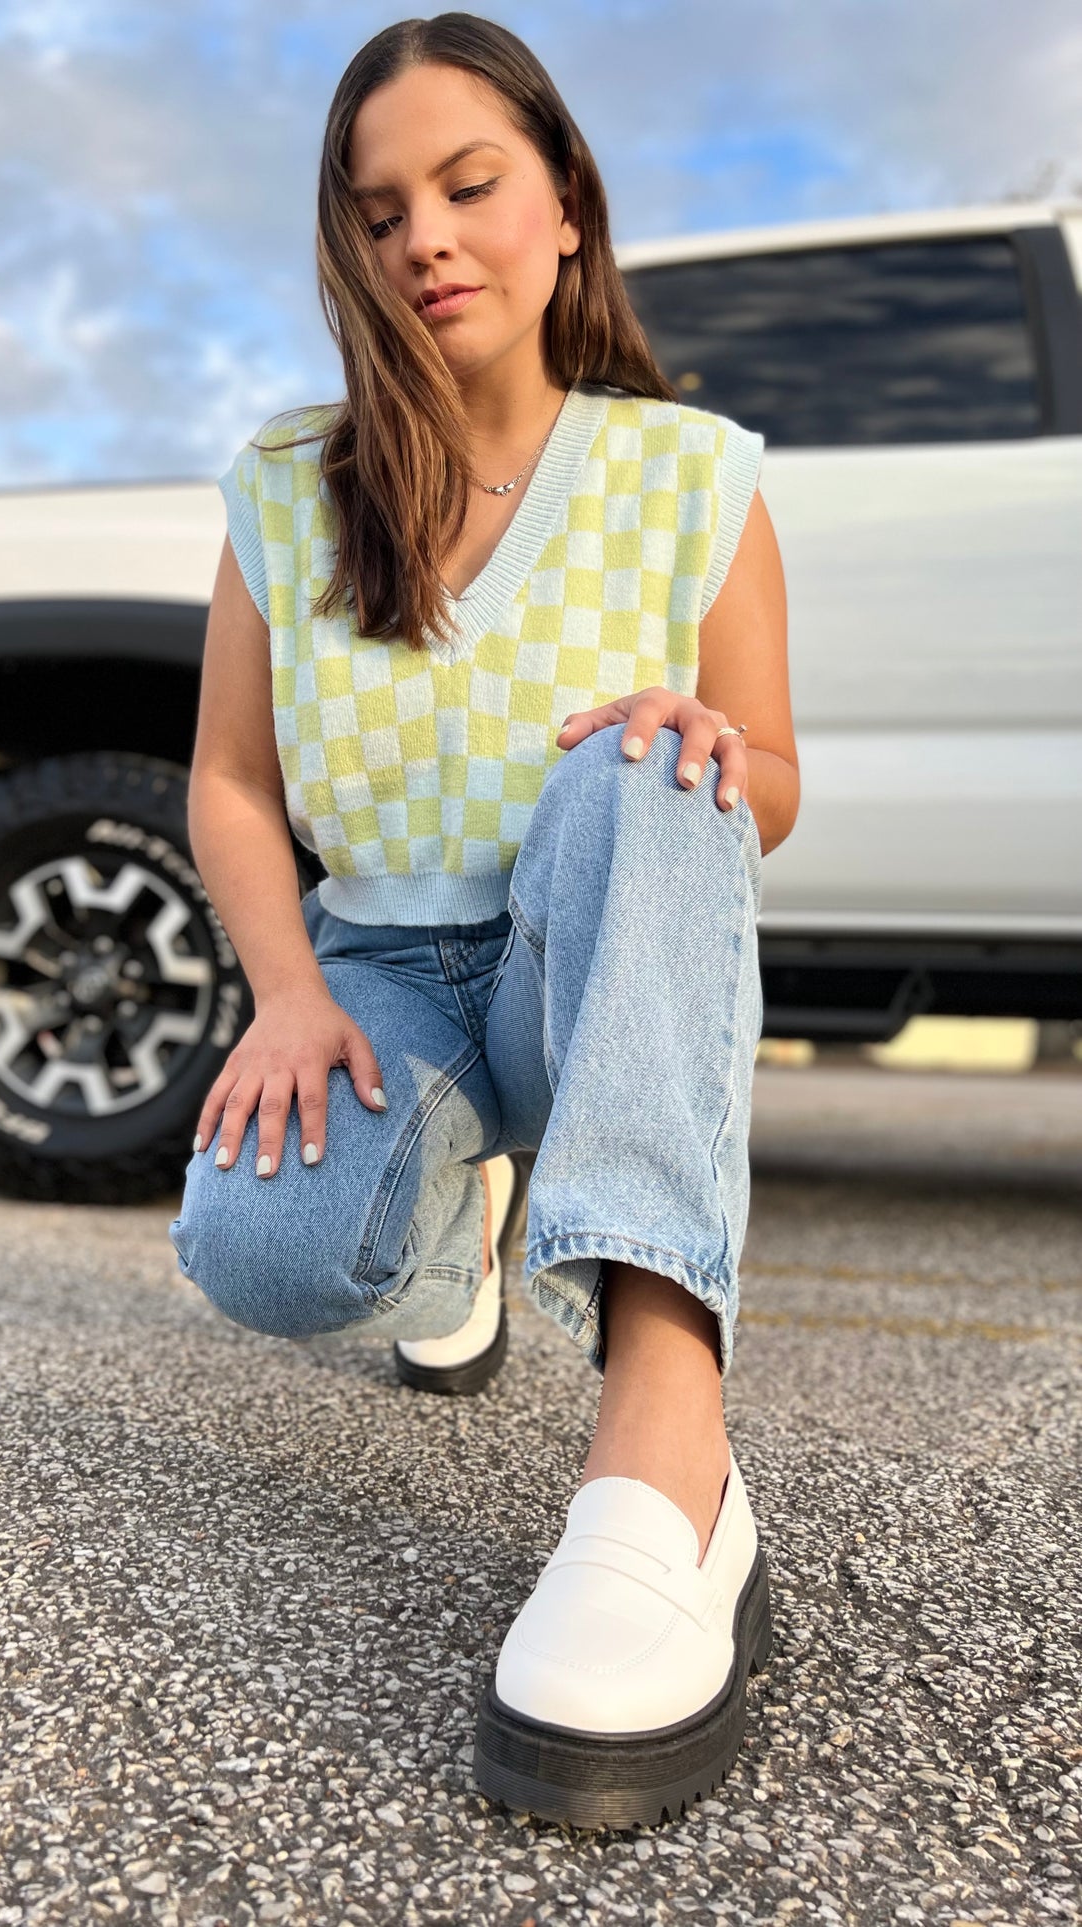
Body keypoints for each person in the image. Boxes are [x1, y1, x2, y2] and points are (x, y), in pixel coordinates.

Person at [169, 11, 799, 1831]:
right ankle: (457, 1207)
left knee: (649, 766)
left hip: (584, 950)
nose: (423, 238)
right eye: (377, 213)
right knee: (264, 1252)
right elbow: (226, 779)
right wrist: (284, 992)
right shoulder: (289, 487)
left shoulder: (694, 474)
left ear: (565, 211)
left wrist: (711, 750)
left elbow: (769, 781)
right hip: (380, 974)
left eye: (467, 185)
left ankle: (669, 1452)